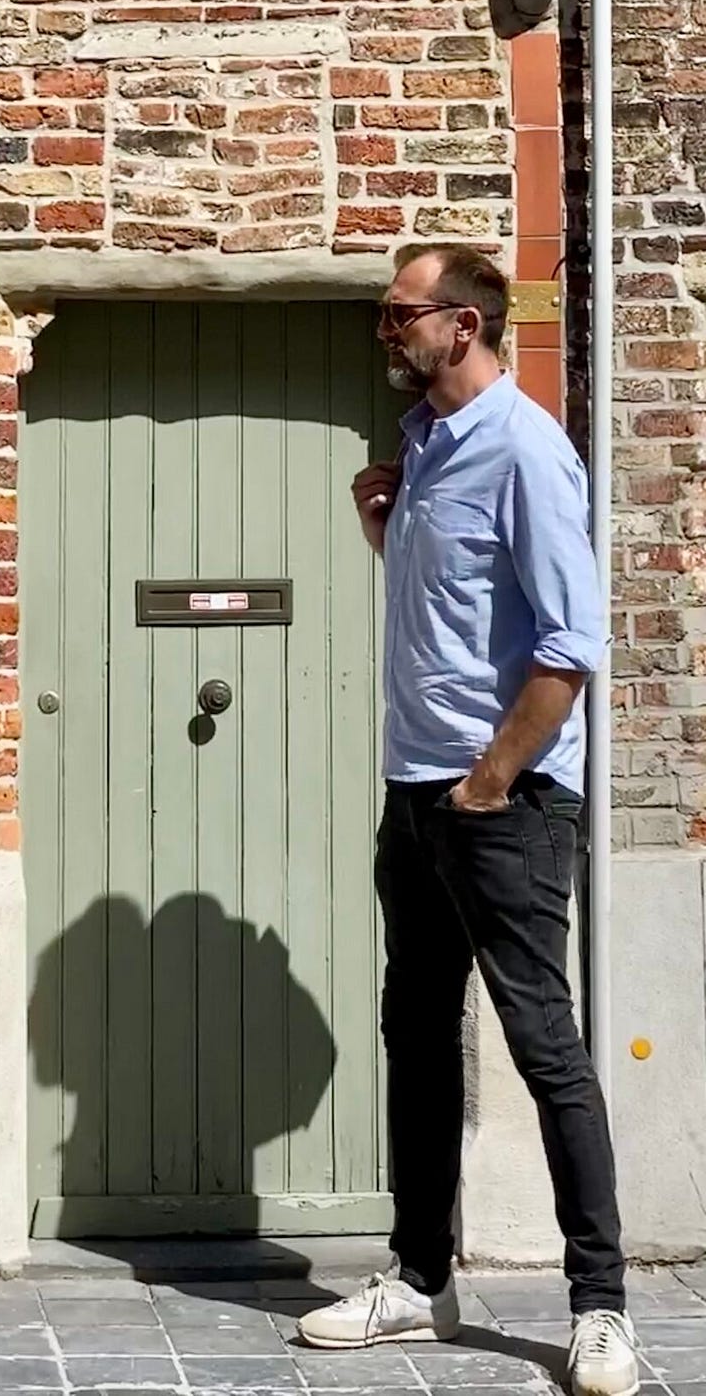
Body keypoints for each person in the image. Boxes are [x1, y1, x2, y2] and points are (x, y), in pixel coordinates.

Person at [298, 243, 637, 1396]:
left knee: (545, 1046)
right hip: (417, 789)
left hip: (505, 798)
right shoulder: (425, 447)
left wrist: (493, 777)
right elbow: (455, 623)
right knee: (416, 1031)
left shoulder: (526, 451)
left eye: (400, 317)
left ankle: (600, 1308)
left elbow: (567, 645)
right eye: (384, 317)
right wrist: (383, 531)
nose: (385, 333)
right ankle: (415, 1275)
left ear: (464, 323)